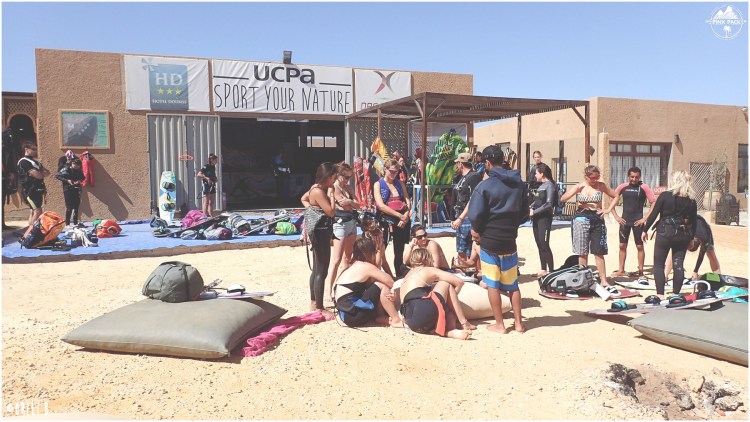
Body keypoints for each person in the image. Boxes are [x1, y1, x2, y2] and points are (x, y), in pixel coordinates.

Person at [468, 145, 528, 334]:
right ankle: (518, 324)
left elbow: (475, 214)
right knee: (513, 285)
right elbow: (524, 213)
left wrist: (477, 231)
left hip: (489, 241)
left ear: (487, 163)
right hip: (510, 240)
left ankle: (500, 325)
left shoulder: (484, 186)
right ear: (503, 160)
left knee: (492, 283)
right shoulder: (519, 184)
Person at [560, 165, 620, 296]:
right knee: (582, 251)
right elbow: (563, 198)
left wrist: (608, 210)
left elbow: (616, 196)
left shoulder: (601, 186)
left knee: (599, 251)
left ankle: (604, 280)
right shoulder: (580, 186)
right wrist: (575, 191)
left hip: (597, 217)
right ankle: (584, 279)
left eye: (597, 177)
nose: (595, 180)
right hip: (581, 217)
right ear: (586, 177)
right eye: (593, 178)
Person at [641, 171, 698, 297]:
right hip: (683, 234)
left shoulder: (665, 196)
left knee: (659, 264)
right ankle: (676, 294)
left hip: (665, 232)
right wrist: (691, 238)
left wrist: (645, 230)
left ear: (674, 181)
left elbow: (654, 214)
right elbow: (693, 221)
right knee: (678, 264)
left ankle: (660, 294)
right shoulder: (691, 201)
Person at [399, 248, 475, 340]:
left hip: (412, 322)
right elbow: (459, 282)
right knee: (446, 284)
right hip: (424, 310)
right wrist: (450, 300)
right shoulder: (429, 270)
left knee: (433, 294)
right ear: (426, 259)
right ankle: (464, 323)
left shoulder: (407, 276)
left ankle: (448, 332)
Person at [333, 237, 403, 328]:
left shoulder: (352, 266)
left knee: (377, 285)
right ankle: (396, 319)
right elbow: (390, 281)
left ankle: (380, 317)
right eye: (375, 251)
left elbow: (372, 285)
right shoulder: (365, 266)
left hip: (345, 315)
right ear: (370, 253)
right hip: (354, 315)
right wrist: (380, 254)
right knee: (381, 285)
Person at [605, 167, 657, 280]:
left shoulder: (644, 187)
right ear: (628, 176)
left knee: (639, 246)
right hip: (625, 221)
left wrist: (644, 218)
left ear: (640, 177)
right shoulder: (622, 186)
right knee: (622, 245)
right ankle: (621, 270)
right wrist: (616, 216)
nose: (634, 179)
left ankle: (641, 272)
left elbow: (654, 203)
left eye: (636, 177)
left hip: (638, 222)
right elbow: (611, 200)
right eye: (632, 177)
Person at [301, 162, 337, 317]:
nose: (334, 179)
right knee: (321, 270)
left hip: (319, 231)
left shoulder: (314, 188)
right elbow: (331, 212)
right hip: (321, 232)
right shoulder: (319, 191)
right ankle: (320, 307)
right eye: (333, 176)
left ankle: (314, 301)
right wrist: (332, 195)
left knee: (316, 269)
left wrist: (311, 210)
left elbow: (303, 198)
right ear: (328, 177)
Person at [323, 162, 360, 304]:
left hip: (351, 222)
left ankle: (341, 286)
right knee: (336, 259)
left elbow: (357, 204)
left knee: (348, 257)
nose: (347, 180)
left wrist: (350, 201)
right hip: (340, 224)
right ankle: (328, 290)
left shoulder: (348, 188)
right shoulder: (333, 188)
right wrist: (351, 203)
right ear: (338, 175)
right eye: (345, 177)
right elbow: (341, 204)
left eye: (350, 177)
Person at [373, 158, 412, 277]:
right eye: (392, 171)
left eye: (396, 171)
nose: (394, 174)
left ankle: (399, 274)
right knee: (381, 248)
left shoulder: (400, 183)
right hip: (386, 219)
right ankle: (377, 274)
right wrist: (400, 216)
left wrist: (405, 215)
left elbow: (407, 200)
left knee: (399, 250)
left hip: (401, 217)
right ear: (385, 169)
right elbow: (381, 205)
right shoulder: (378, 184)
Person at [664, 214, 721, 282]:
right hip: (688, 222)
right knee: (676, 251)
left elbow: (701, 254)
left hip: (704, 226)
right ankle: (665, 275)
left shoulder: (704, 237)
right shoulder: (685, 233)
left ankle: (718, 277)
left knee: (711, 254)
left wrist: (695, 271)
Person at [450, 152, 483, 265]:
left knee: (471, 245)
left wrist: (460, 218)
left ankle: (473, 269)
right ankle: (465, 268)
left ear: (461, 164)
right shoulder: (461, 178)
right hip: (460, 215)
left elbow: (473, 199)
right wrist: (453, 218)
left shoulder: (474, 177)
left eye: (457, 163)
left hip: (468, 216)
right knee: (462, 247)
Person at [529, 163, 556, 276]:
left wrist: (534, 212)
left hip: (544, 219)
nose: (535, 175)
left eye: (536, 173)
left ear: (542, 174)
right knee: (539, 244)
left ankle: (551, 271)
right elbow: (537, 202)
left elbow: (549, 204)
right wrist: (530, 207)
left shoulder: (550, 186)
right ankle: (543, 269)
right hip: (536, 219)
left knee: (544, 243)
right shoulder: (541, 186)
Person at [17, 141, 50, 228]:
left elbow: (47, 173)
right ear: (26, 149)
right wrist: (40, 173)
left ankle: (31, 229)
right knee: (38, 211)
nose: (35, 151)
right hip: (29, 191)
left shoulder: (36, 162)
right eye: (33, 149)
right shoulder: (23, 162)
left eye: (36, 149)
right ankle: (31, 231)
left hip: (37, 190)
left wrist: (40, 173)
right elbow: (38, 175)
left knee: (33, 211)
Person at [54, 157, 85, 227]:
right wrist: (67, 180)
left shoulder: (79, 171)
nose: (75, 166)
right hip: (68, 189)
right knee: (69, 207)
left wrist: (79, 181)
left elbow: (83, 177)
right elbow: (57, 176)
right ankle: (67, 223)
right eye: (74, 164)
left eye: (77, 165)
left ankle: (75, 222)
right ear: (72, 163)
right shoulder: (66, 169)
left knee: (76, 206)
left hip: (77, 189)